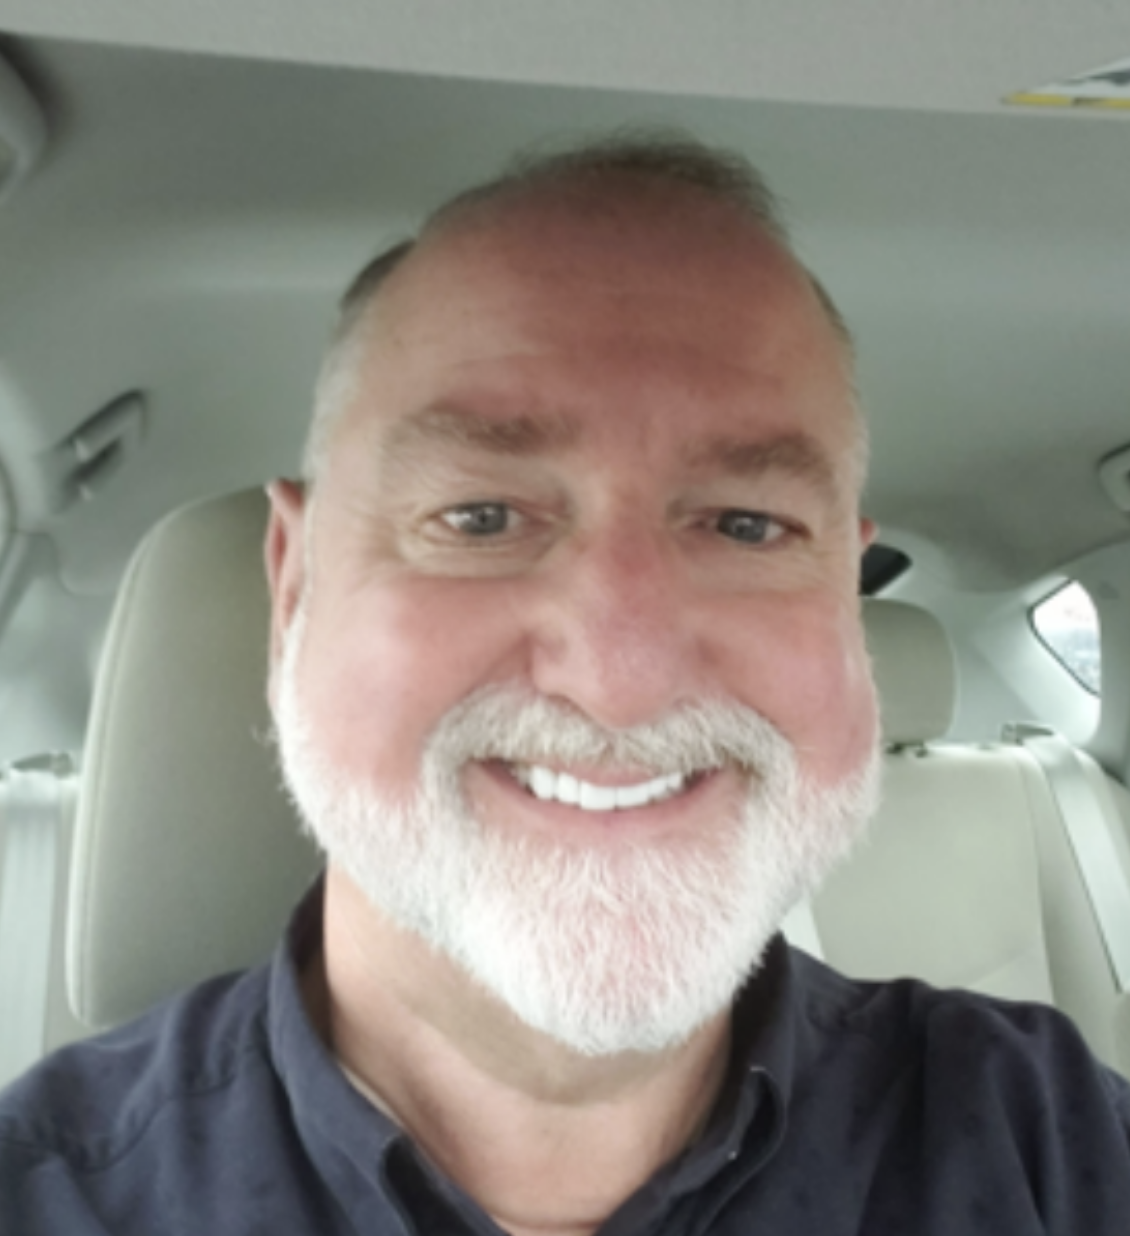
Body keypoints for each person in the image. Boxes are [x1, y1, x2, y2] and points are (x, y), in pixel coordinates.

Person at [2, 133, 1128, 1235]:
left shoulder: (1051, 1143)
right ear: (294, 589)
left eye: (746, 525)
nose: (620, 680)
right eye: (480, 518)